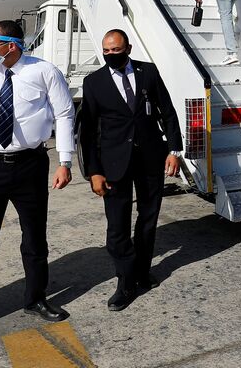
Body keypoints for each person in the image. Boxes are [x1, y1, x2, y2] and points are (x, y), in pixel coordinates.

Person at [0, 20, 76, 343]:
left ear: (12, 45)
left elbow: (65, 114)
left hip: (30, 166)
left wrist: (65, 161)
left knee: (35, 239)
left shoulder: (44, 72)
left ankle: (35, 298)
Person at [76, 29, 183, 311]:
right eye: (106, 50)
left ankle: (141, 271)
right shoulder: (94, 82)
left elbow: (168, 111)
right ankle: (125, 282)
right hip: (113, 164)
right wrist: (93, 171)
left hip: (150, 159)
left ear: (129, 48)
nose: (111, 54)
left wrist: (174, 150)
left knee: (148, 219)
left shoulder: (148, 72)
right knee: (117, 227)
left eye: (116, 49)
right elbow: (87, 133)